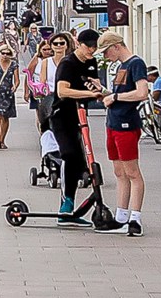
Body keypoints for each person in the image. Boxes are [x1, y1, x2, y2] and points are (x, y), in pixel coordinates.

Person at [50, 27, 120, 230]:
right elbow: (62, 91)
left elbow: (94, 83)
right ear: (79, 44)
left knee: (83, 161)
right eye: (88, 47)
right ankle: (66, 203)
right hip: (62, 116)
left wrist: (102, 92)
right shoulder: (68, 63)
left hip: (80, 116)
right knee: (70, 155)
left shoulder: (91, 62)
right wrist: (88, 94)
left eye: (94, 48)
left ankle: (72, 210)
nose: (91, 51)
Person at [101, 28, 149, 235]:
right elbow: (120, 93)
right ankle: (121, 215)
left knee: (132, 172)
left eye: (106, 51)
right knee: (119, 172)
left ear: (116, 46)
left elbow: (141, 93)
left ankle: (135, 218)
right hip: (114, 122)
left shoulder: (135, 63)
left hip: (126, 124)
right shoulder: (122, 66)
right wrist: (105, 92)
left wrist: (116, 98)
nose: (105, 56)